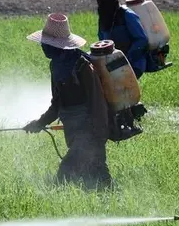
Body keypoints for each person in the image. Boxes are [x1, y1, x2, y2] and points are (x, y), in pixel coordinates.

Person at [23, 13, 112, 190]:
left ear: (58, 46)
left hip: (90, 131)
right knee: (97, 177)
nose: (43, 47)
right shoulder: (56, 66)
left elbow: (98, 100)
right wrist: (39, 123)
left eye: (46, 44)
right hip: (73, 130)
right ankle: (113, 203)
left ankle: (54, 202)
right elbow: (57, 104)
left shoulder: (82, 66)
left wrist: (99, 134)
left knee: (65, 174)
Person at [94, 0, 149, 79]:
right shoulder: (103, 17)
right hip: (113, 65)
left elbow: (142, 39)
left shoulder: (127, 15)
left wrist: (126, 59)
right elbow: (102, 40)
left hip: (134, 64)